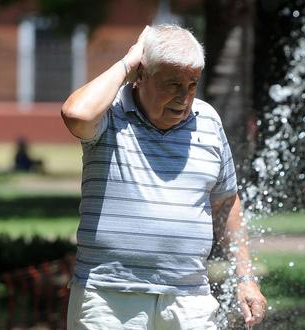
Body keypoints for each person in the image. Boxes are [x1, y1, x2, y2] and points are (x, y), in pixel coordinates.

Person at [61, 24, 266, 329]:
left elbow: (226, 201)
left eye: (192, 84)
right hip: (110, 297)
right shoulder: (110, 113)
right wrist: (128, 62)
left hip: (189, 299)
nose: (184, 97)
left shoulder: (207, 120)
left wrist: (245, 277)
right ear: (141, 76)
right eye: (172, 84)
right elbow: (77, 115)